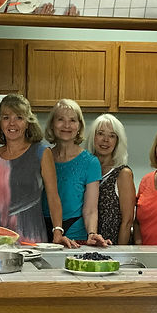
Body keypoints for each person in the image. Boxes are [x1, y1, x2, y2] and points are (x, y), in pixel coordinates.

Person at [0, 94, 71, 247]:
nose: (12, 123)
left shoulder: (42, 153)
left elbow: (53, 196)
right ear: (0, 123)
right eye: (6, 117)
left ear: (28, 123)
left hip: (32, 239)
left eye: (19, 117)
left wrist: (58, 231)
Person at [42, 100, 108, 247]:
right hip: (41, 230)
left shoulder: (90, 162)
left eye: (72, 120)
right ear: (52, 124)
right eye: (61, 119)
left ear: (79, 126)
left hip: (75, 233)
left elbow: (90, 209)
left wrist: (92, 233)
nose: (67, 125)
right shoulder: (41, 157)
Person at [84, 113, 135, 245]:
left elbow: (127, 221)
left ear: (117, 141)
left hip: (111, 247)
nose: (106, 140)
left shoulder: (123, 174)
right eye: (100, 133)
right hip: (84, 243)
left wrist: (120, 254)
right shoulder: (83, 169)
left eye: (112, 136)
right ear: (93, 137)